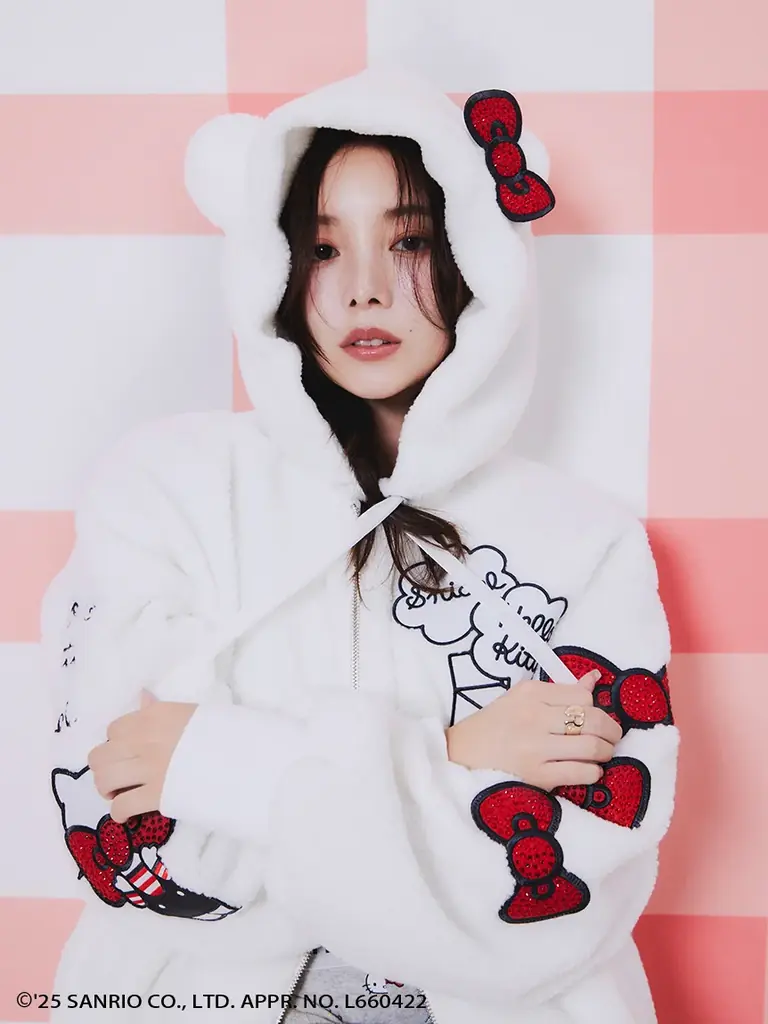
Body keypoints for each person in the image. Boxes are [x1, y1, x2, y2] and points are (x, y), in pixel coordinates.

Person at [41, 68, 678, 1024]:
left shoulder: (584, 544)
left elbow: (563, 904)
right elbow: (125, 830)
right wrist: (458, 751)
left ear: (476, 256)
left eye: (409, 241)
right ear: (271, 264)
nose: (365, 290)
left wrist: (224, 762)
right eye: (323, 247)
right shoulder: (165, 493)